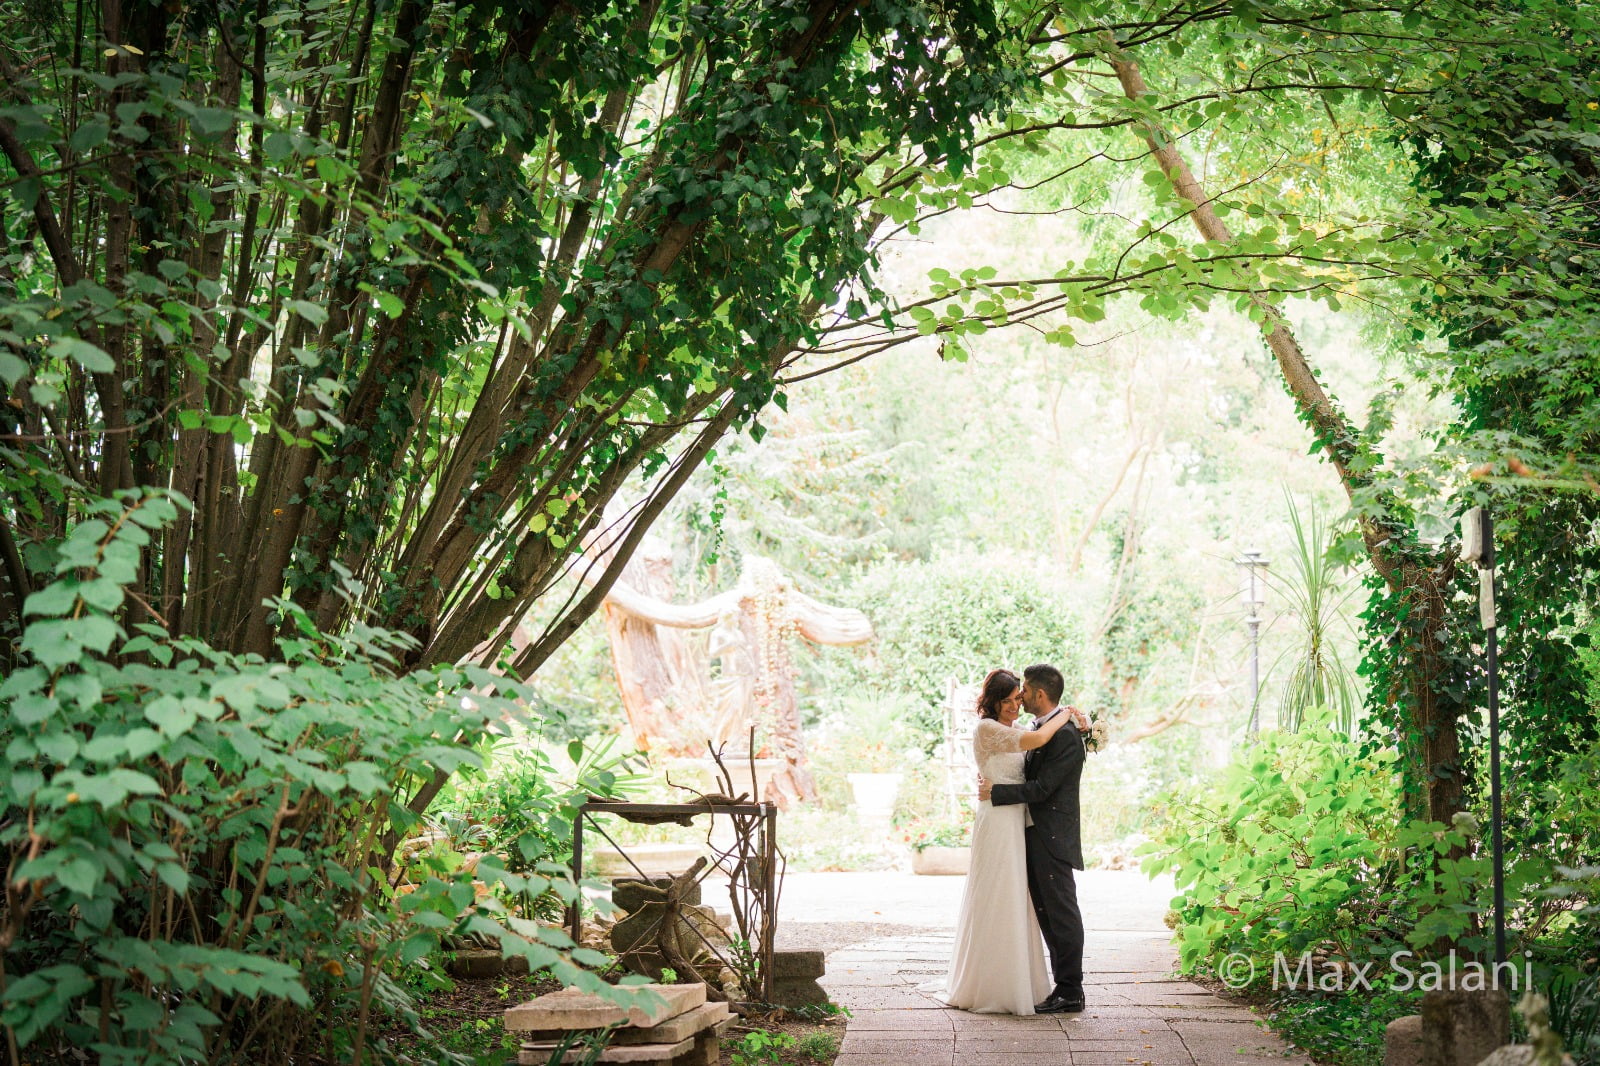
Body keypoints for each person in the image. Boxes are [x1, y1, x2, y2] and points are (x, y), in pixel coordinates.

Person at [941, 668, 1076, 1014]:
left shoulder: (1016, 727)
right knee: (997, 895)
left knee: (1017, 900)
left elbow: (1034, 745)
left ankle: (1023, 982)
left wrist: (1076, 718)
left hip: (1018, 821)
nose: (1016, 705)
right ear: (993, 701)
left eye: (1019, 697)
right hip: (999, 819)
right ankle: (992, 983)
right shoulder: (988, 728)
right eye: (1009, 700)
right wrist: (1068, 715)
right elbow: (1038, 740)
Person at [979, 662, 1088, 1014]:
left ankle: (1071, 989)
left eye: (1023, 691)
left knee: (1062, 912)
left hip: (1053, 835)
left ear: (1039, 694)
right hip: (1029, 831)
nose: (1020, 697)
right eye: (1014, 694)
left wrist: (996, 793)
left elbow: (1042, 788)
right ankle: (1063, 987)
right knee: (1046, 911)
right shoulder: (1037, 727)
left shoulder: (1066, 735)